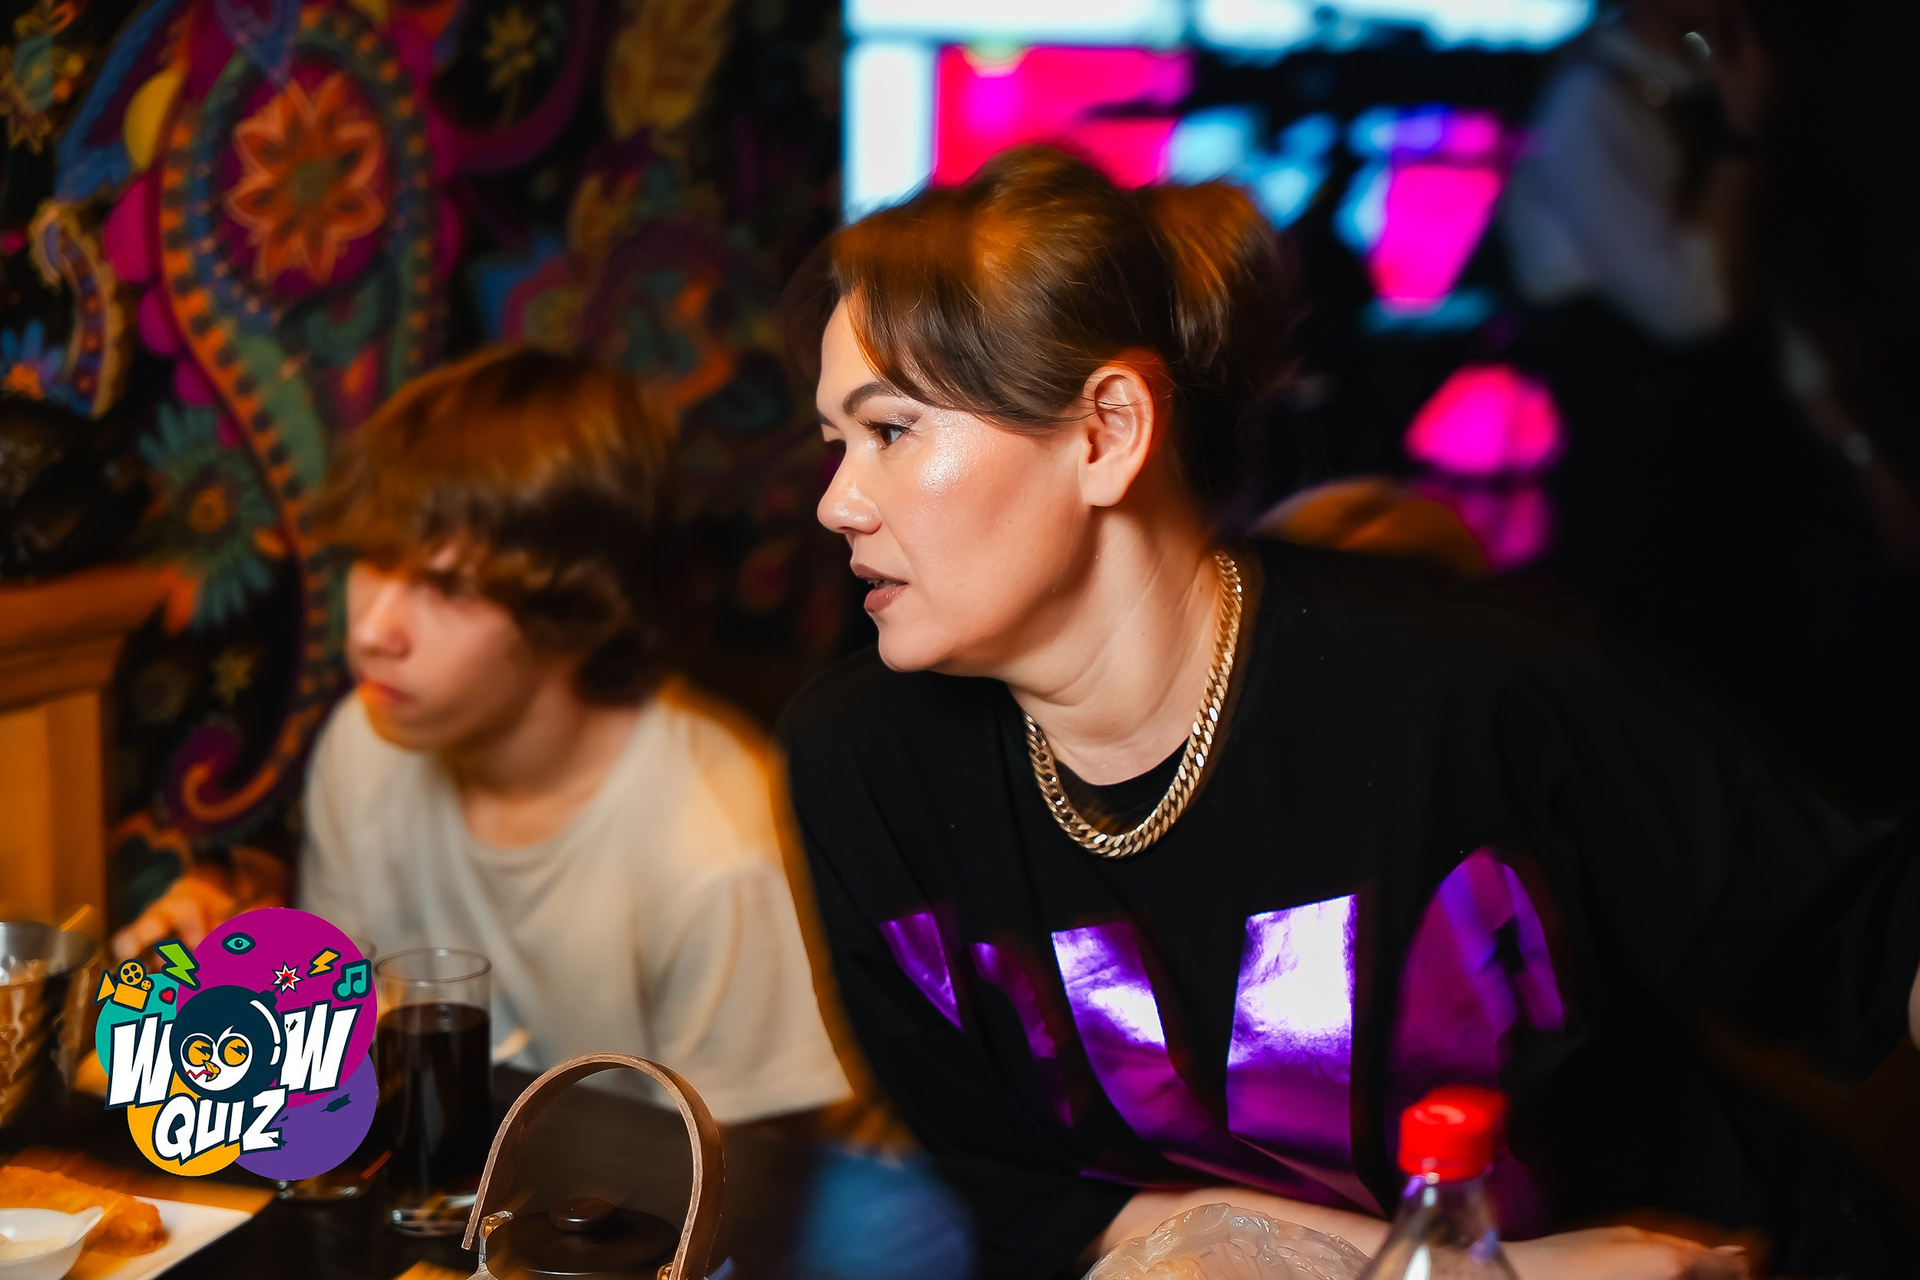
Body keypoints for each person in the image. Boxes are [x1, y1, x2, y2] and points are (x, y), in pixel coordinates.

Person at [776, 147, 1920, 1280]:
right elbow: (1038, 1207)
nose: (838, 501)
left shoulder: (1470, 687)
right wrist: (1502, 1275)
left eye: (889, 431)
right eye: (836, 442)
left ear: (1106, 432)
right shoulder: (866, 766)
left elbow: (1863, 942)